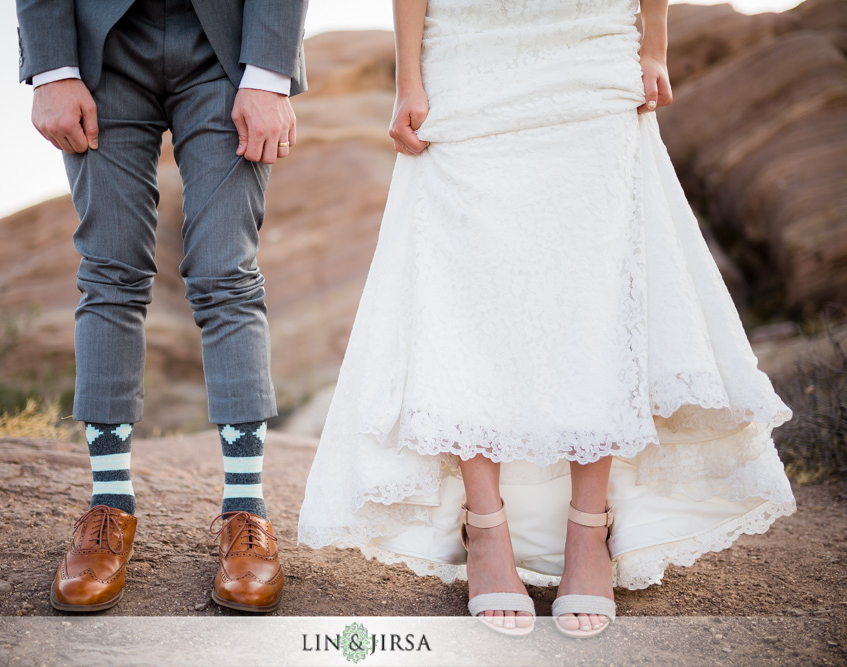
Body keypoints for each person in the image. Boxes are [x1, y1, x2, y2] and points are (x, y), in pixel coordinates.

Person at [297, 0, 796, 638]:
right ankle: (485, 526)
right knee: (469, 292)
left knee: (595, 292)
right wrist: (409, 80)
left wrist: (654, 48)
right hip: (469, 55)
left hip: (587, 49)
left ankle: (590, 527)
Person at [15, 0, 307, 613]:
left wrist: (270, 72)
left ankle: (245, 513)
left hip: (227, 47)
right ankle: (110, 508)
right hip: (102, 48)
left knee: (227, 273)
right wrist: (51, 67)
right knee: (110, 273)